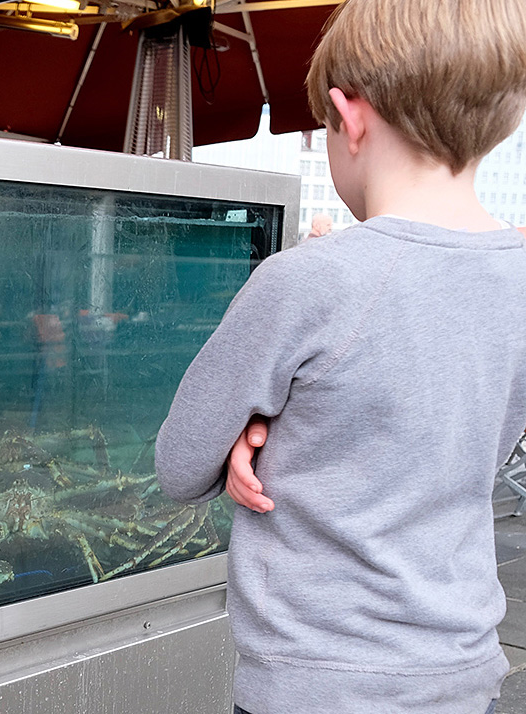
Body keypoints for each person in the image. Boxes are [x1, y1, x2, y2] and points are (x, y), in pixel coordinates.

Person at [153, 1, 526, 713]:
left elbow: (178, 466)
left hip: (315, 686)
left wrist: (250, 434)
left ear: (348, 116)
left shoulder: (308, 281)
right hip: (462, 672)